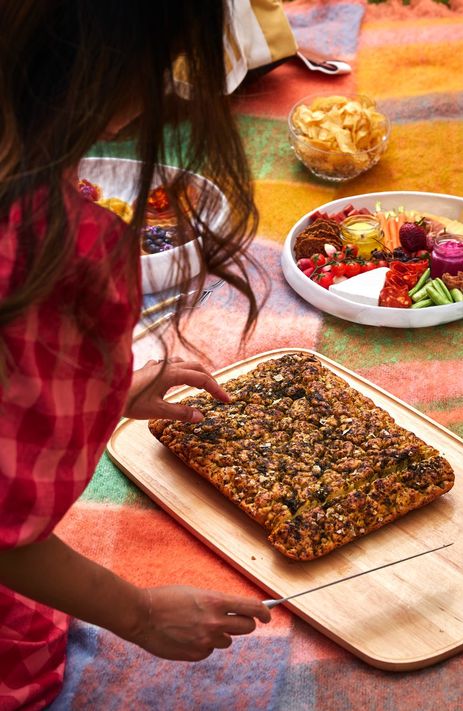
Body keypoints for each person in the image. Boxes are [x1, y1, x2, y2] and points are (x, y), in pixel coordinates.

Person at [0, 2, 271, 708]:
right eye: (164, 69)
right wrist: (138, 611)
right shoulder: (42, 250)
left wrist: (103, 388)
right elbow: (6, 526)